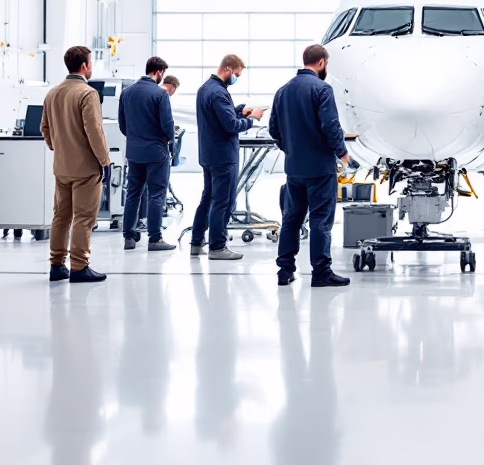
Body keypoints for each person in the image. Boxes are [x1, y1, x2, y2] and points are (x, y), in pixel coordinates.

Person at [271, 44, 350, 288]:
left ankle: (285, 270)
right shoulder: (322, 89)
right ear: (322, 63)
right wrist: (342, 152)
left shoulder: (283, 91)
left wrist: (290, 149)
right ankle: (321, 272)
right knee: (320, 221)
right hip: (320, 169)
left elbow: (273, 129)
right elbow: (330, 125)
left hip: (294, 169)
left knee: (291, 219)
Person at [41, 46, 111, 283]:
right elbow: (95, 131)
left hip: (61, 167)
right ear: (84, 65)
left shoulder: (52, 93)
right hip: (86, 169)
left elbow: (44, 128)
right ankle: (79, 266)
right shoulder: (88, 93)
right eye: (91, 63)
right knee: (83, 218)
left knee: (61, 216)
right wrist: (104, 161)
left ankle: (56, 265)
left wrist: (58, 148)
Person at [190, 55, 264, 260]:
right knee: (223, 202)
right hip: (223, 156)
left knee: (207, 199)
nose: (236, 78)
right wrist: (251, 120)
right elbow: (231, 125)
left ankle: (196, 242)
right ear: (228, 69)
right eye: (236, 74)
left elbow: (220, 117)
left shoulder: (205, 89)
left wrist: (240, 111)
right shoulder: (219, 93)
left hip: (209, 154)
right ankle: (217, 247)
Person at [119, 56, 177, 252]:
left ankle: (128, 237)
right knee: (156, 194)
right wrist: (170, 140)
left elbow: (122, 125)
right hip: (156, 152)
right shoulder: (160, 94)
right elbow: (167, 125)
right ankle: (154, 238)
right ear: (159, 72)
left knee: (133, 193)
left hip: (134, 151)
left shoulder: (126, 93)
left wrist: (136, 138)